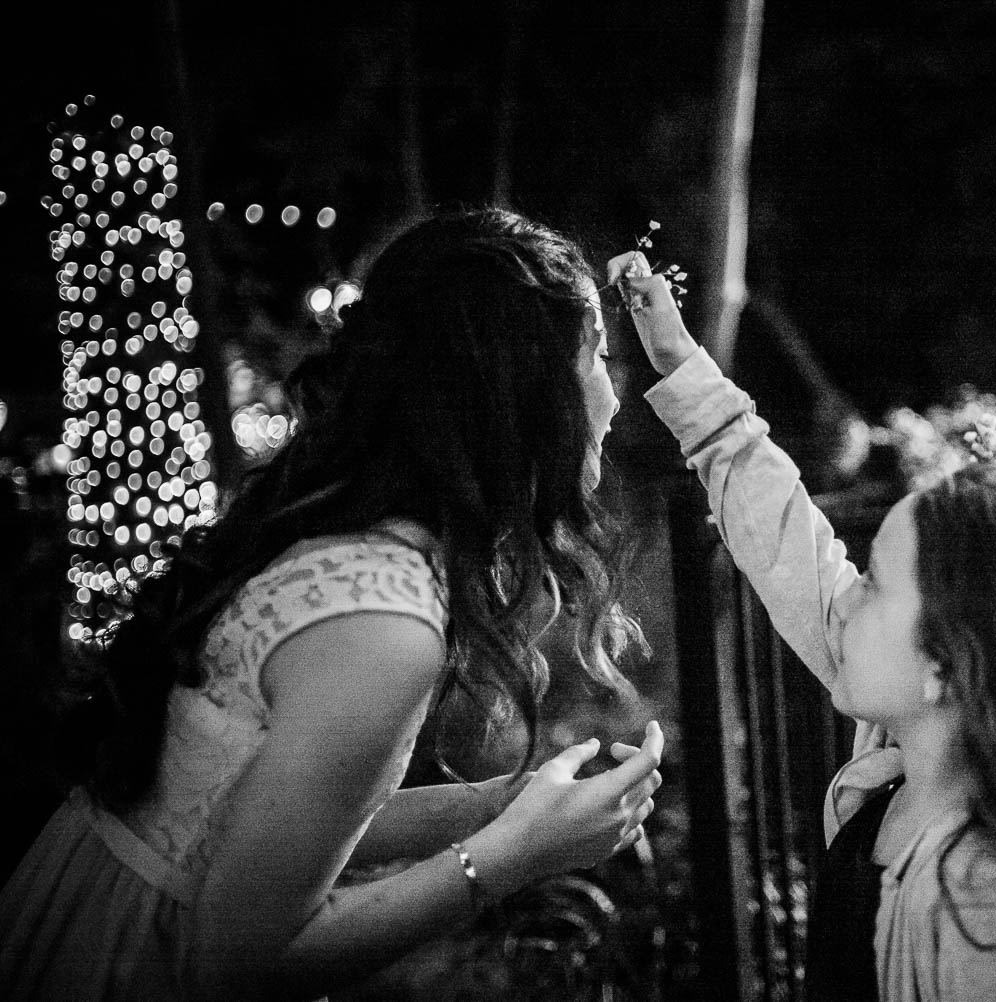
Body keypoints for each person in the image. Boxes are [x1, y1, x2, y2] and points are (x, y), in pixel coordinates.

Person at [0, 208, 665, 1002]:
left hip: (91, 908)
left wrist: (496, 807)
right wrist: (514, 857)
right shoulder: (384, 631)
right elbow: (236, 962)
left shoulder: (354, 537)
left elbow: (262, 823)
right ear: (522, 390)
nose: (615, 400)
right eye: (597, 360)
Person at [613, 252, 996, 1001]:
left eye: (872, 585)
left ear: (947, 664)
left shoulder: (986, 919)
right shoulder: (907, 761)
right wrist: (680, 365)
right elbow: (787, 542)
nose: (846, 596)